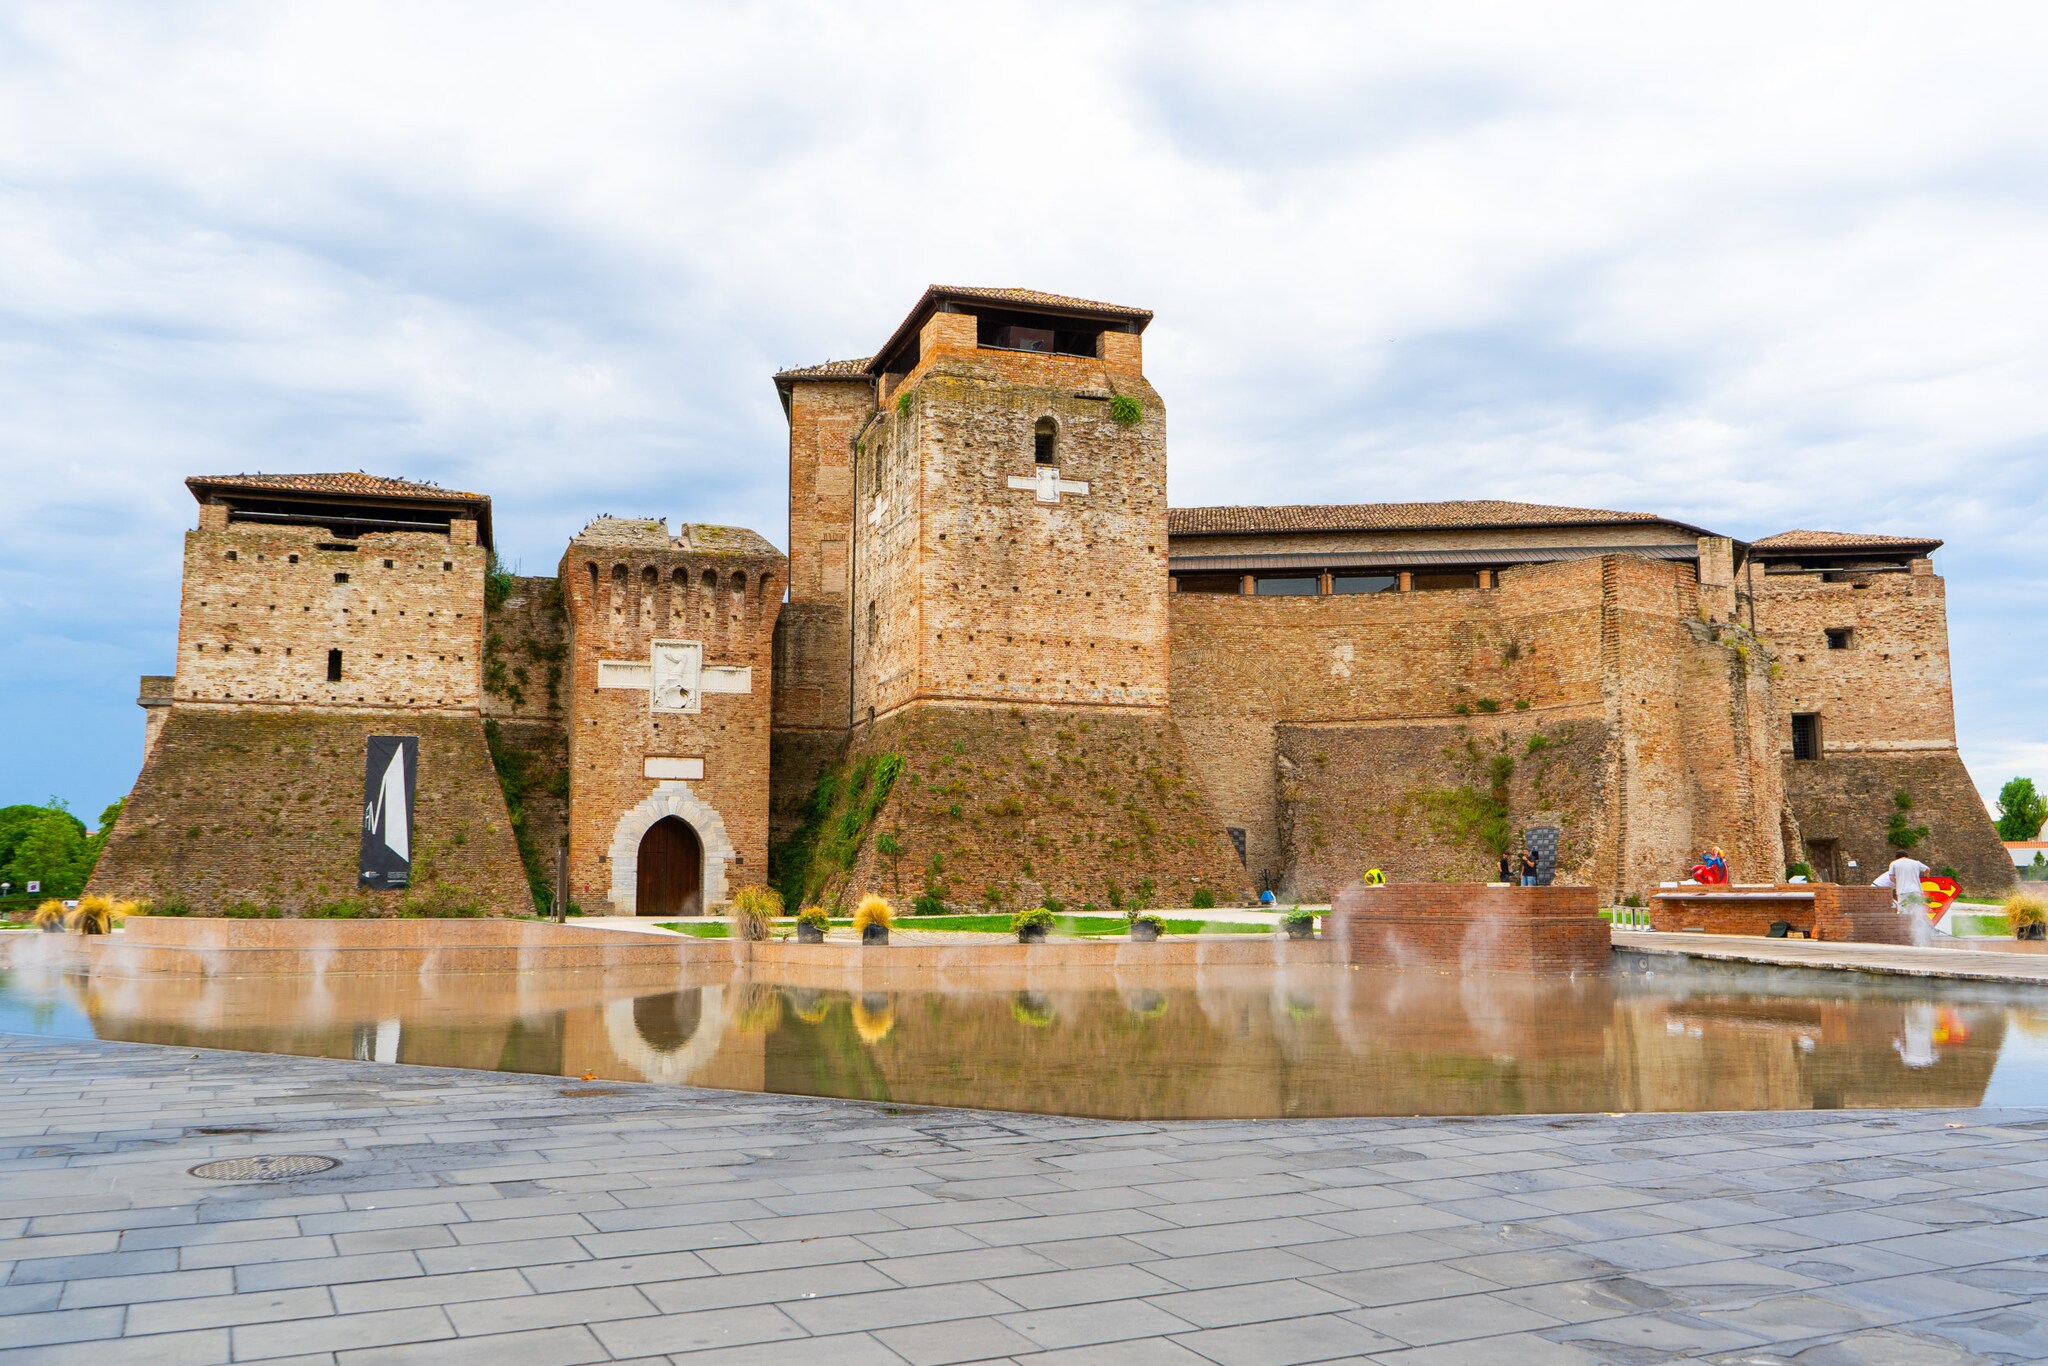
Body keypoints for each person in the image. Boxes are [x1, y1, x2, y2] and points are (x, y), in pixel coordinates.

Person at [1873, 847, 1933, 923]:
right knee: (1917, 910)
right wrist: (1926, 874)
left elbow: (1891, 877)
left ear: (1897, 858)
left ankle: (1905, 928)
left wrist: (1898, 883)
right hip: (1916, 890)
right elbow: (1927, 869)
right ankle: (1920, 928)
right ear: (1907, 856)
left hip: (1902, 890)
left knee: (1903, 910)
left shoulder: (1894, 863)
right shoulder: (1916, 862)